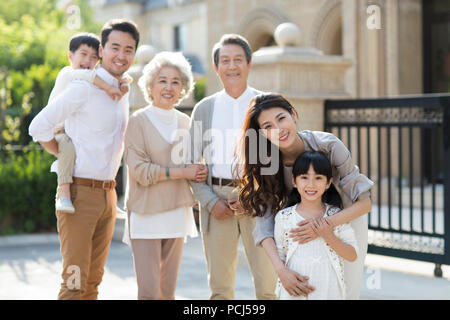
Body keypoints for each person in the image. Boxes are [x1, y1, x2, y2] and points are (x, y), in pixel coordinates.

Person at [28, 19, 140, 300]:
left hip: (109, 196)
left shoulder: (123, 91)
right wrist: (64, 154)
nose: (121, 55)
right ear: (101, 50)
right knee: (74, 282)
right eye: (115, 47)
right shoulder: (81, 88)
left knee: (93, 282)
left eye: (129, 49)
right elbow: (37, 127)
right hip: (78, 196)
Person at [235, 93, 373, 300]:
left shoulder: (328, 145)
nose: (278, 129)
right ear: (262, 134)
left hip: (345, 220)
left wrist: (323, 226)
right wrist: (281, 271)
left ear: (293, 115)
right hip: (300, 228)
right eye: (268, 126)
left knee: (346, 290)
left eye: (281, 119)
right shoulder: (266, 164)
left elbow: (364, 203)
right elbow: (264, 224)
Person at [189, 34, 277, 300]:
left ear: (249, 64)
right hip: (217, 202)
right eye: (225, 60)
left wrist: (254, 192)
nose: (232, 66)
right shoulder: (204, 109)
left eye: (238, 59)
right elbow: (191, 165)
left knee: (268, 287)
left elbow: (280, 158)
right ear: (216, 68)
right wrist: (209, 202)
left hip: (261, 201)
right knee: (220, 289)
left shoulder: (267, 105)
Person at [123, 51, 207, 300]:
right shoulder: (137, 121)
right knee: (149, 292)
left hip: (177, 212)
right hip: (145, 213)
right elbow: (139, 171)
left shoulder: (187, 123)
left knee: (167, 291)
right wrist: (182, 172)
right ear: (150, 84)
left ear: (183, 88)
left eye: (175, 82)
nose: (168, 87)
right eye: (162, 80)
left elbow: (197, 167)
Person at [48, 32, 131, 213]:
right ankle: (63, 194)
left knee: (106, 149)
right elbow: (91, 78)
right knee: (68, 151)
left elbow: (105, 78)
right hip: (59, 129)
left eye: (94, 57)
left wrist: (122, 83)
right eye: (83, 54)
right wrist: (110, 87)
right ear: (70, 56)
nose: (88, 61)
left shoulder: (93, 77)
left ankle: (107, 197)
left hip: (73, 127)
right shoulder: (68, 73)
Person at [274, 151, 358, 300]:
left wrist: (328, 235)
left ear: (328, 183)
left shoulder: (336, 216)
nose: (311, 184)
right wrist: (287, 281)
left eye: (318, 178)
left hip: (329, 290)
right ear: (294, 181)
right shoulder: (284, 217)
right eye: (304, 177)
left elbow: (352, 255)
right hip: (295, 291)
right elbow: (280, 255)